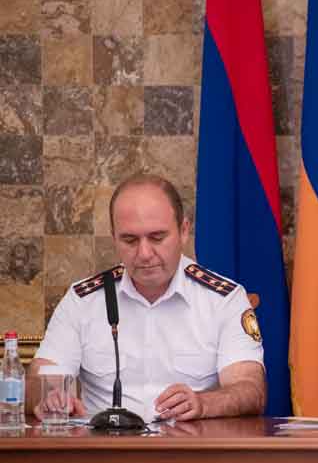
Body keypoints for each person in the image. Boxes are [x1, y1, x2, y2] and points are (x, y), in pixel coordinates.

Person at [28, 173, 266, 422]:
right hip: (104, 444)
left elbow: (250, 390)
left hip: (190, 444)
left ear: (184, 231)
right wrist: (50, 396)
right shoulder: (83, 300)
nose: (144, 253)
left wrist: (204, 403)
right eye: (130, 240)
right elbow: (39, 379)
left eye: (157, 237)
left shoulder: (224, 299)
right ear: (114, 238)